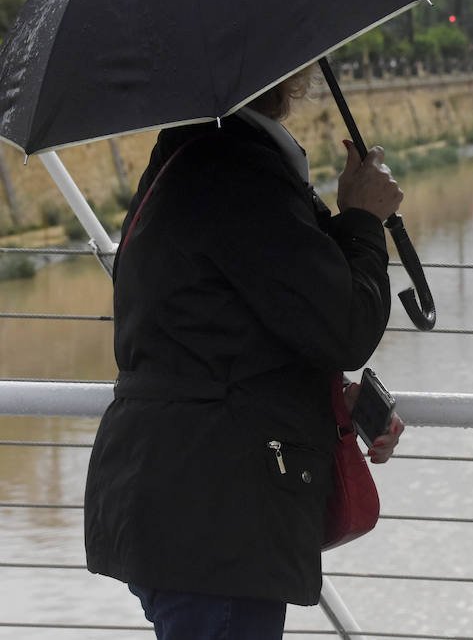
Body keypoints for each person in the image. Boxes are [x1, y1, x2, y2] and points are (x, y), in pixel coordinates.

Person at [85, 69, 407, 639]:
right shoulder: (235, 172)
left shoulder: (189, 156)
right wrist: (362, 219)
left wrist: (329, 400)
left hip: (180, 502)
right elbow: (346, 326)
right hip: (217, 521)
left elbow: (231, 329)